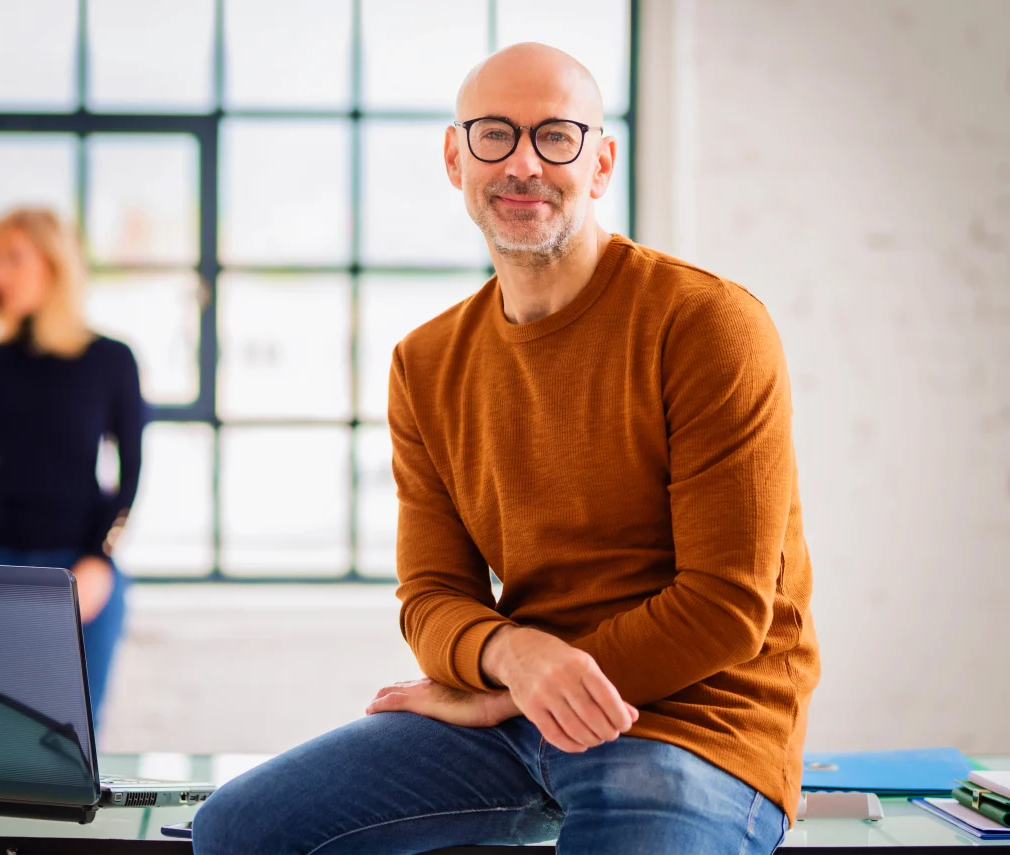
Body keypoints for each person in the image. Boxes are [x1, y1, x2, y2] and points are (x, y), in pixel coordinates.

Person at [191, 42, 819, 855]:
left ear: (600, 162)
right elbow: (430, 597)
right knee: (240, 829)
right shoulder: (426, 363)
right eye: (495, 134)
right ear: (457, 158)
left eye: (556, 136)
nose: (524, 162)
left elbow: (727, 608)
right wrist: (509, 655)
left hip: (696, 723)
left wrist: (518, 686)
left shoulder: (707, 325)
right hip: (512, 722)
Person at [0, 207, 142, 725]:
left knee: (74, 737)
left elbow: (130, 475)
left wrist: (100, 557)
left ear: (54, 265)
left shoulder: (110, 359)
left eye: (14, 258)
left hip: (78, 569)